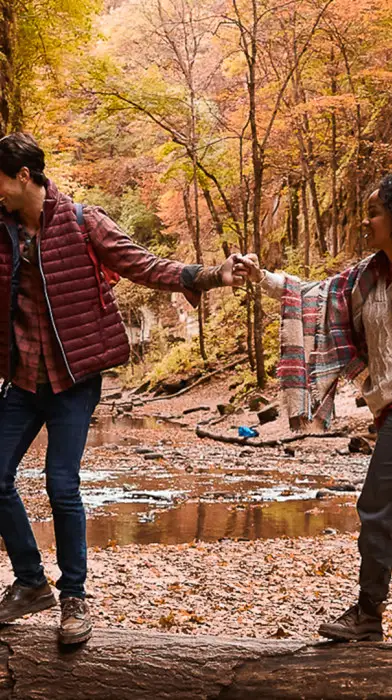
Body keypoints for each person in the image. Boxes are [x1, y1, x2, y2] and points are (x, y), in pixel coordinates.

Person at [0, 132, 250, 645]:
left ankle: (74, 599)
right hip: (22, 379)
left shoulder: (81, 220)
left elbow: (142, 263)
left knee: (61, 484)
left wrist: (209, 275)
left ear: (23, 176)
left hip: (74, 379)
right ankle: (29, 583)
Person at [242, 172, 392, 642]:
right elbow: (314, 295)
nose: (365, 220)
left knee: (376, 509)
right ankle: (369, 614)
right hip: (390, 407)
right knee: (381, 509)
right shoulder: (370, 276)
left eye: (374, 212)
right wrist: (261, 277)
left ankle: (369, 617)